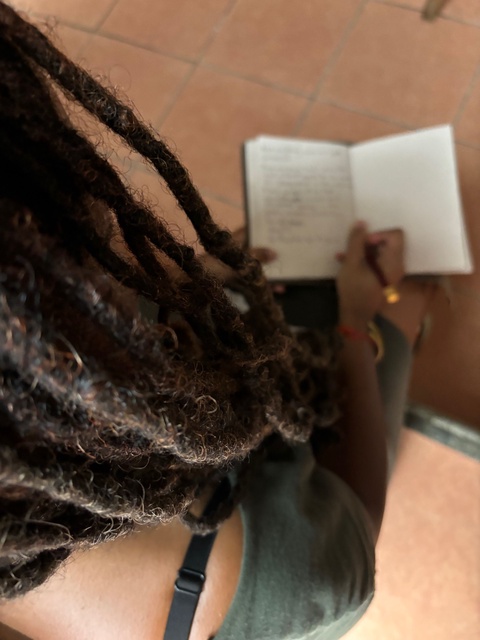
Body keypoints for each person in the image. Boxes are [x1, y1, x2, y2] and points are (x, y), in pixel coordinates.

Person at [0, 3, 436, 639]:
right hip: (300, 490)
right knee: (407, 313)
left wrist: (201, 277)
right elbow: (352, 534)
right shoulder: (275, 575)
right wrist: (357, 321)